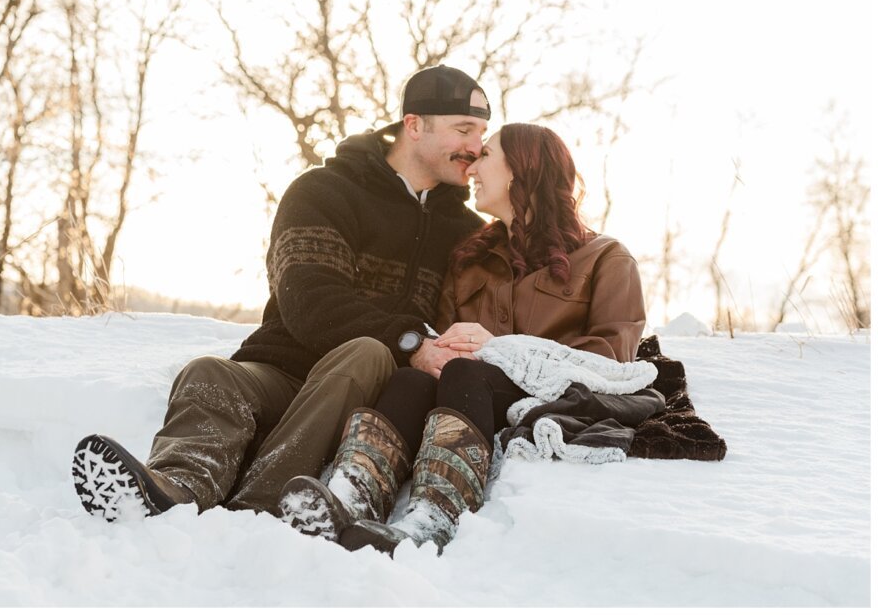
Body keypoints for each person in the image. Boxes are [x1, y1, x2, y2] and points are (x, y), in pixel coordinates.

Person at [71, 65, 492, 521]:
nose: (476, 147)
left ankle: (259, 505)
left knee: (368, 353)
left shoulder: (466, 233)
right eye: (463, 129)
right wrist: (410, 341)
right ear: (414, 125)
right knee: (211, 373)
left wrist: (407, 347)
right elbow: (310, 300)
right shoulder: (326, 192)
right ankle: (174, 487)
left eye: (482, 132)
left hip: (371, 390)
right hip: (285, 369)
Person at [279, 122, 647, 553]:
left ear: (522, 171)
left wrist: (499, 350)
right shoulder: (470, 263)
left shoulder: (606, 258)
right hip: (466, 395)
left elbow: (612, 359)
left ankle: (433, 516)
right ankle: (350, 495)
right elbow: (441, 340)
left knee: (464, 374)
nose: (472, 165)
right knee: (412, 380)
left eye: (486, 155)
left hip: (554, 398)